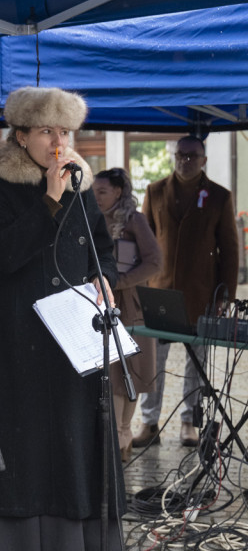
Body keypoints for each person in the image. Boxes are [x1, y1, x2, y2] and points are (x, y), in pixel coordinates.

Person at [0, 86, 128, 551]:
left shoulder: (82, 186)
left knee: (77, 448)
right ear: (21, 136)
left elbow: (101, 249)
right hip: (20, 342)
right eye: (46, 132)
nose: (59, 143)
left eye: (66, 132)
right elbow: (6, 255)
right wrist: (50, 199)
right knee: (31, 452)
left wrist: (105, 282)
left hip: (75, 337)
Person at [132, 136, 239, 449]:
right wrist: (139, 290)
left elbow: (230, 252)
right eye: (181, 155)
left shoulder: (219, 196)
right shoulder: (154, 191)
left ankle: (189, 423)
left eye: (193, 156)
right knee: (153, 362)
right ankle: (149, 422)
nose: (186, 161)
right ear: (173, 157)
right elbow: (143, 244)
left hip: (201, 294)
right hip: (160, 293)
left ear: (203, 160)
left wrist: (224, 298)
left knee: (197, 363)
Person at [92, 168, 161, 459]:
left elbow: (154, 262)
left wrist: (118, 282)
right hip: (97, 301)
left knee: (126, 371)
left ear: (118, 192)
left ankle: (123, 435)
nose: (96, 197)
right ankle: (111, 436)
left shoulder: (135, 220)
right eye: (94, 192)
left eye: (102, 192)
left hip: (128, 304)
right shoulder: (91, 219)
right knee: (106, 370)